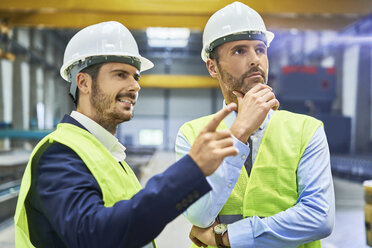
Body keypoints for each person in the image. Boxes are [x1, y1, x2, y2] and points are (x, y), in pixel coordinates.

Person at [14, 21, 240, 248]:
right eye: (121, 74)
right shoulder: (58, 155)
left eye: (136, 76)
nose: (135, 86)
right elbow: (95, 235)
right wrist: (190, 171)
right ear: (83, 82)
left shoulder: (110, 156)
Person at [175, 2, 335, 248]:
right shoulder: (191, 134)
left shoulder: (307, 130)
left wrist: (226, 238)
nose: (255, 61)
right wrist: (239, 132)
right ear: (212, 67)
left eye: (260, 50)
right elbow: (198, 214)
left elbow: (319, 218)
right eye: (239, 51)